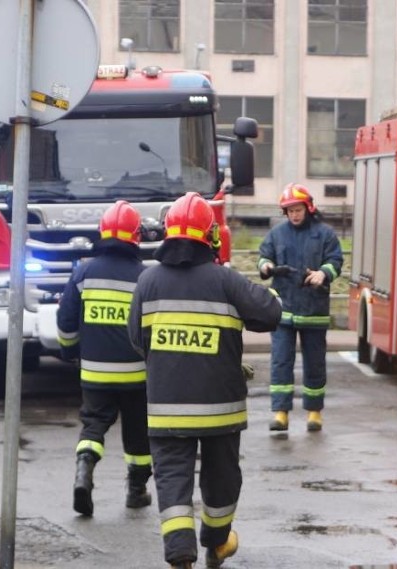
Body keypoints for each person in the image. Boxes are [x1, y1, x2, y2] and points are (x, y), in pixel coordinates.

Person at [128, 192, 282, 569]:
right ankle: (216, 544)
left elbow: (136, 339)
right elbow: (270, 313)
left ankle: (181, 557)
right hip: (220, 412)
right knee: (222, 480)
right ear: (210, 236)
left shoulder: (147, 283)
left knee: (172, 482)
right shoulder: (226, 281)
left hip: (166, 410)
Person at [56, 200, 152, 517]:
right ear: (135, 236)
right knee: (138, 437)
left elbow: (66, 320)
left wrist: (69, 351)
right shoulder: (145, 278)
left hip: (95, 374)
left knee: (93, 427)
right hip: (137, 376)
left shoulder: (84, 273)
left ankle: (84, 471)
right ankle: (136, 493)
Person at [258, 183, 343, 433]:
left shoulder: (324, 234)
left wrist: (323, 274)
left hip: (313, 310)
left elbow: (335, 260)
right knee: (280, 362)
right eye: (290, 210)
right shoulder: (277, 234)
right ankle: (281, 413)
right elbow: (264, 255)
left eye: (298, 209)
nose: (294, 214)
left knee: (315, 364)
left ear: (308, 208)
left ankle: (314, 413)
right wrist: (265, 266)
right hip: (283, 312)